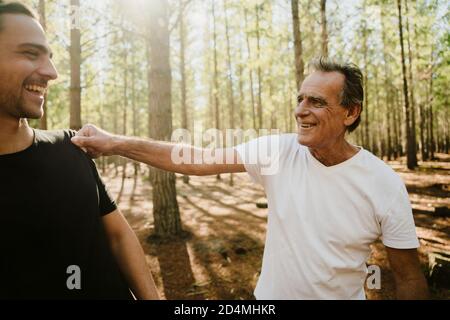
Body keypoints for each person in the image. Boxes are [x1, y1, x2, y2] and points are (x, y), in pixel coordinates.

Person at [71, 57, 429, 299]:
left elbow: (410, 277)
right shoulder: (278, 152)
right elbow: (195, 158)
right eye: (300, 98)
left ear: (350, 112)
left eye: (317, 102)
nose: (300, 110)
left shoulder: (382, 182)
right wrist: (114, 142)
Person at [0, 1, 159, 299]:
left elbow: (118, 236)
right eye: (30, 53)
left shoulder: (70, 147)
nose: (52, 72)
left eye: (50, 57)